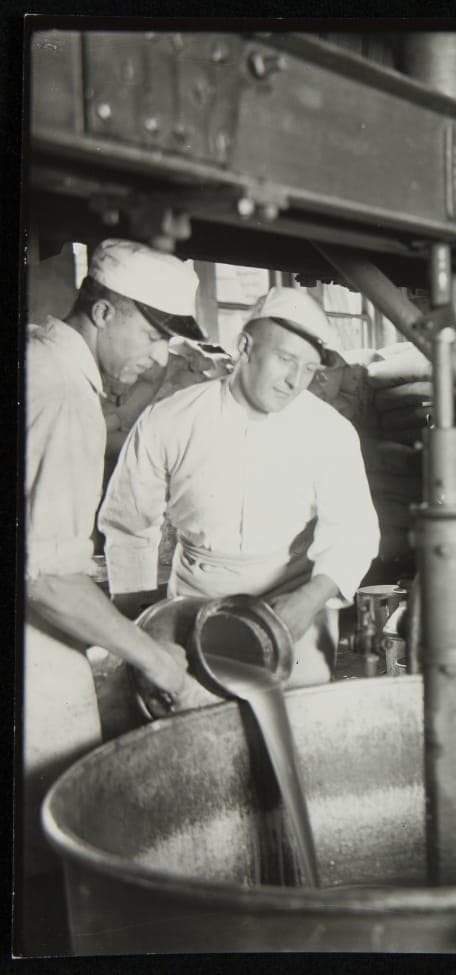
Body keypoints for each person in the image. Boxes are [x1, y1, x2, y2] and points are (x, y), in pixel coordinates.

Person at [22, 238, 214, 954]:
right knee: (48, 865)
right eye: (156, 334)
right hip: (30, 666)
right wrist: (157, 662)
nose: (163, 356)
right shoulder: (65, 392)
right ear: (103, 311)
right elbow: (45, 580)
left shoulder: (40, 355)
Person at [99, 287, 381, 688]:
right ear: (245, 346)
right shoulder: (169, 421)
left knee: (296, 733)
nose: (294, 381)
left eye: (308, 369)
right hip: (195, 606)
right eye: (286, 360)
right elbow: (129, 526)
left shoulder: (329, 432)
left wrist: (311, 599)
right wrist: (143, 626)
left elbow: (354, 530)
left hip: (294, 607)